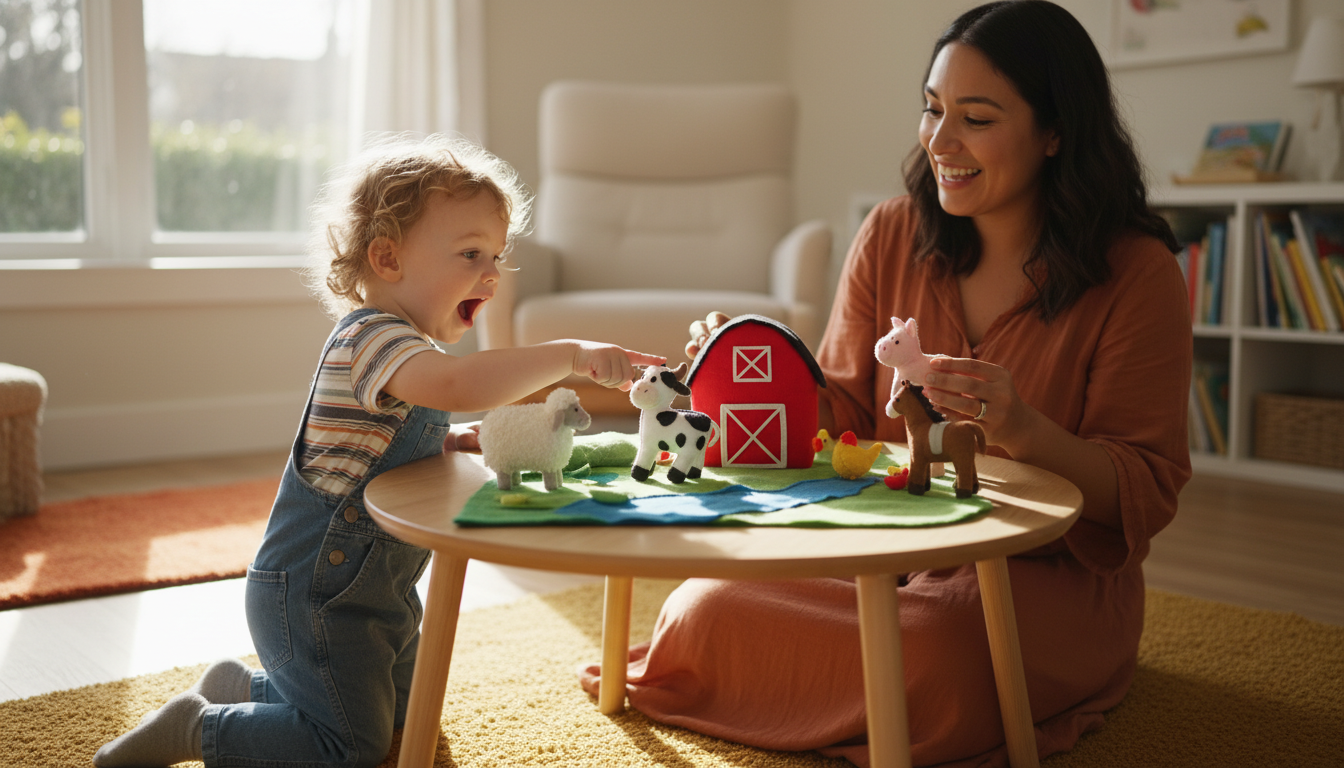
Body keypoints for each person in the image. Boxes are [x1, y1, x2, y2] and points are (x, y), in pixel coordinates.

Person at [579, 2, 1192, 766]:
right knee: (699, 610)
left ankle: (878, 688)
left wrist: (1027, 431)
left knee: (932, 653)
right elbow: (835, 409)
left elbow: (1143, 487)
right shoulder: (893, 233)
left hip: (1038, 574)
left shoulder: (1138, 274)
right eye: (932, 109)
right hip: (883, 542)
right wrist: (751, 372)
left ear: (1055, 132)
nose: (940, 140)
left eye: (976, 117)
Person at [94, 135, 664, 768]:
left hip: (378, 593)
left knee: (405, 715)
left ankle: (241, 688)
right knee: (351, 748)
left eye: (496, 256)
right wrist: (571, 357)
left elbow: (386, 444)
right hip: (316, 594)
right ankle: (200, 730)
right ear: (387, 258)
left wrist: (450, 439)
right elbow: (454, 385)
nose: (491, 274)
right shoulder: (369, 337)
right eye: (470, 253)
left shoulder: (411, 353)